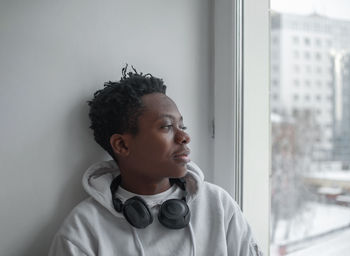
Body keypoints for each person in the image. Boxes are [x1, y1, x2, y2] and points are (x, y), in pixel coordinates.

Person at [49, 66, 263, 256]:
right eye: (167, 127)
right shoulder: (83, 230)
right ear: (122, 145)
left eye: (182, 126)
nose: (184, 137)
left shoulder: (218, 205)